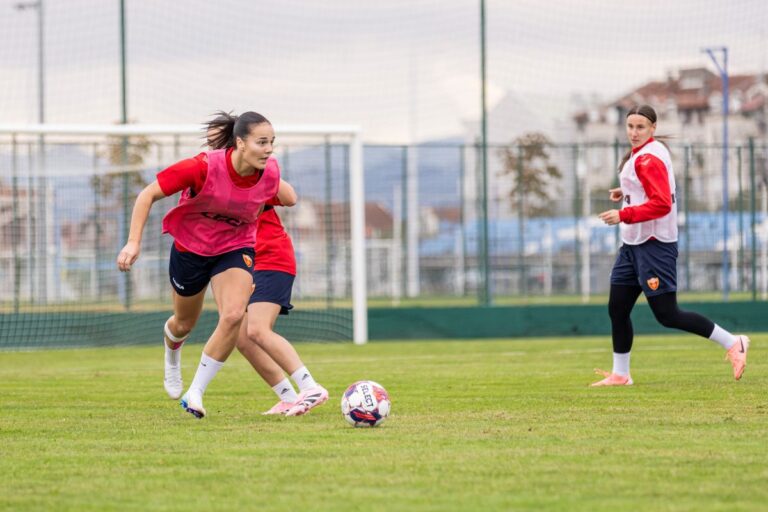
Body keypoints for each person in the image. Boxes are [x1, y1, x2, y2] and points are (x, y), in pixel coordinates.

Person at [117, 111, 285, 418]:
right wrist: (133, 242)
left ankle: (195, 393)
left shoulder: (270, 171)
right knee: (183, 324)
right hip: (191, 250)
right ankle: (172, 354)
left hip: (234, 248)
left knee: (234, 315)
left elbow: (289, 196)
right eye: (262, 142)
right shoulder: (201, 167)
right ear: (240, 143)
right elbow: (147, 194)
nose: (269, 149)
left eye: (272, 142)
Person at [593, 104, 750, 386]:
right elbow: (649, 189)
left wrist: (623, 214)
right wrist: (626, 192)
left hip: (654, 245)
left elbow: (662, 203)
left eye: (640, 127)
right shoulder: (644, 153)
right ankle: (620, 374)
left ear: (653, 128)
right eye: (630, 126)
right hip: (632, 245)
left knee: (667, 314)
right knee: (617, 307)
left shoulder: (648, 158)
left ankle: (733, 341)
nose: (634, 132)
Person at [206, 119, 329, 417]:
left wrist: (264, 172)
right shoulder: (212, 180)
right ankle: (288, 396)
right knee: (241, 337)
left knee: (258, 330)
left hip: (272, 256)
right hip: (242, 264)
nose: (213, 148)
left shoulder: (255, 178)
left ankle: (310, 387)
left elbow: (290, 198)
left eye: (219, 141)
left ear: (238, 143)